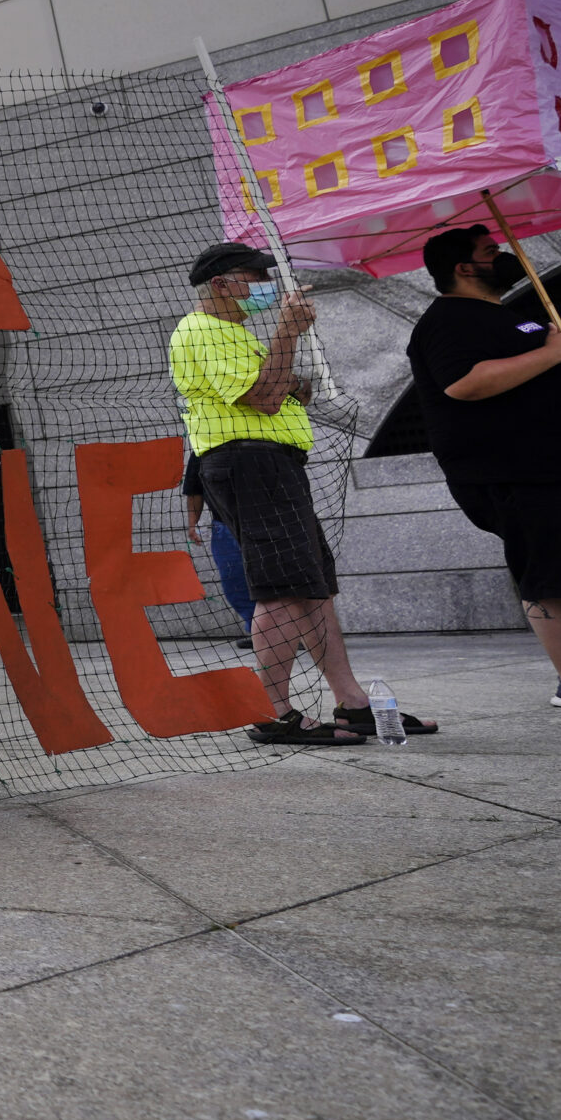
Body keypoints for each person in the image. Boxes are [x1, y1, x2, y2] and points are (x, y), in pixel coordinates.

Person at [172, 242, 413, 744]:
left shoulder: (234, 334)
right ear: (220, 284)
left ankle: (354, 704)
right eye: (254, 276)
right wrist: (286, 331)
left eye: (267, 274)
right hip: (249, 462)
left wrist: (288, 371)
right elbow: (262, 397)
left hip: (271, 464)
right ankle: (272, 711)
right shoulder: (201, 330)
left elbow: (275, 388)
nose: (266, 285)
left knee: (312, 588)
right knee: (282, 590)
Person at [409, 225, 561, 712]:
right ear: (464, 268)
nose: (503, 256)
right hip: (521, 474)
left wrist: (552, 346)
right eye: (491, 252)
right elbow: (465, 383)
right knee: (549, 573)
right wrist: (556, 351)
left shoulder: (511, 316)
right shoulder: (446, 320)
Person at [183, 450, 254, 640]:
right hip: (225, 525)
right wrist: (193, 524)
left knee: (275, 579)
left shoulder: (257, 442)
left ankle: (287, 632)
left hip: (263, 520)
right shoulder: (202, 448)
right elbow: (194, 490)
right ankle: (259, 630)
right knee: (235, 582)